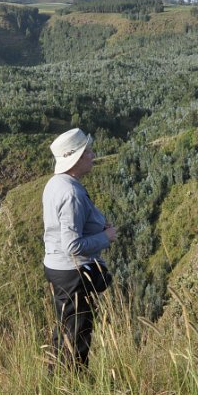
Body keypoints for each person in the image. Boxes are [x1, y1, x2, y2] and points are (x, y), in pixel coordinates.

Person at [42, 128, 117, 370]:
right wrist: (105, 237)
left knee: (66, 330)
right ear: (75, 158)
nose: (93, 155)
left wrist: (96, 228)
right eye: (87, 152)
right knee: (78, 336)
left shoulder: (55, 184)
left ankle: (56, 381)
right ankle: (74, 383)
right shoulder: (71, 193)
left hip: (58, 267)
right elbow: (72, 245)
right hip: (73, 274)